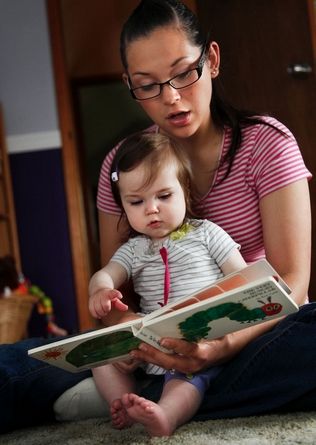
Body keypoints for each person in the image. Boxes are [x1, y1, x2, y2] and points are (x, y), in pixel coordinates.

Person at [0, 0, 315, 434]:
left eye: (185, 73)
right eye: (147, 85)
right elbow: (115, 293)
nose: (171, 97)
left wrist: (219, 346)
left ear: (213, 60)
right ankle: (159, 394)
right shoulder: (123, 166)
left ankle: (140, 398)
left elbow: (291, 289)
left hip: (248, 340)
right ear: (129, 84)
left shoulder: (268, 145)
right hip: (151, 350)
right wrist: (125, 329)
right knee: (12, 366)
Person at [89, 131, 247, 436]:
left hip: (196, 342)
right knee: (100, 357)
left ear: (184, 191)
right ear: (123, 206)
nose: (152, 208)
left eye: (164, 196)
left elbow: (243, 277)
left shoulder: (207, 233)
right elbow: (106, 273)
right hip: (149, 344)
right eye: (136, 201)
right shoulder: (133, 250)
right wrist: (101, 289)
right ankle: (124, 402)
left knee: (182, 380)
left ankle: (166, 415)